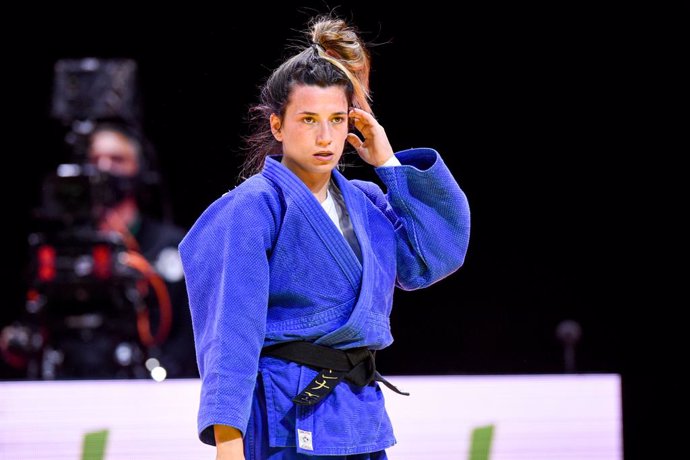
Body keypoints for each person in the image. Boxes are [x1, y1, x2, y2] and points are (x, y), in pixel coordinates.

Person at [179, 15, 470, 459]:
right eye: (309, 119)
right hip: (284, 415)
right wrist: (228, 443)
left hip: (360, 414)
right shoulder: (254, 206)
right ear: (278, 126)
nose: (325, 136)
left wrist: (388, 163)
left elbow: (435, 256)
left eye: (337, 120)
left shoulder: (367, 201)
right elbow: (230, 334)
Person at [85, 122, 198, 378]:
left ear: (140, 169)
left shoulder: (173, 246)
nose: (104, 168)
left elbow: (190, 334)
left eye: (117, 159)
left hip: (152, 392)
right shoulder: (68, 247)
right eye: (95, 159)